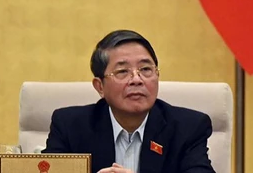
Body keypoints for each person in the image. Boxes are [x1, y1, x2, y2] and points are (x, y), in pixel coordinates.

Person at [44, 30, 215, 173]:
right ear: (100, 86)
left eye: (146, 69)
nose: (136, 80)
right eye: (122, 71)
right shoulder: (70, 126)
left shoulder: (188, 128)